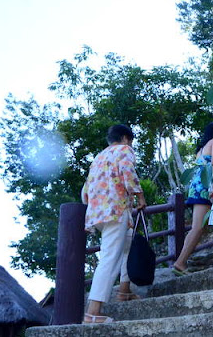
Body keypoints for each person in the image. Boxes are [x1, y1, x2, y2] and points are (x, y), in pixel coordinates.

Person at [81, 124, 146, 324]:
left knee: (126, 244)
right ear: (126, 138)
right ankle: (93, 311)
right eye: (131, 141)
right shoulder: (124, 150)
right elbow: (128, 173)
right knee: (109, 257)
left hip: (98, 213)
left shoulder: (98, 158)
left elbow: (85, 192)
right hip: (116, 210)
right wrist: (140, 196)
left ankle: (124, 291)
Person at [172, 122, 213, 275]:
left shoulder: (201, 149)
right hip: (208, 185)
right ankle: (180, 263)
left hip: (198, 187)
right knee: (199, 227)